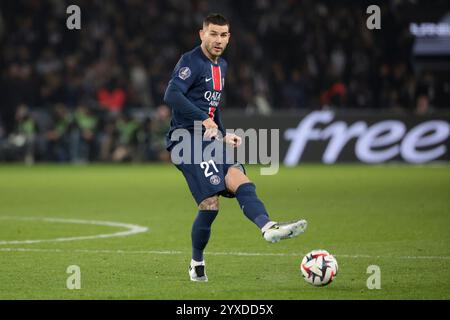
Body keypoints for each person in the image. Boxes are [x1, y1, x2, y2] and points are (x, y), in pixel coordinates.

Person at [163, 14, 307, 282]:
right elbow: (171, 94)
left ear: (229, 37)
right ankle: (196, 262)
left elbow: (212, 109)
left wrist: (224, 134)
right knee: (210, 203)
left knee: (237, 182)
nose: (218, 40)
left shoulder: (223, 66)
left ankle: (267, 227)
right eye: (213, 34)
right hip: (185, 139)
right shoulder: (191, 61)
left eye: (224, 35)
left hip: (207, 138)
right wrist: (204, 119)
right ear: (201, 34)